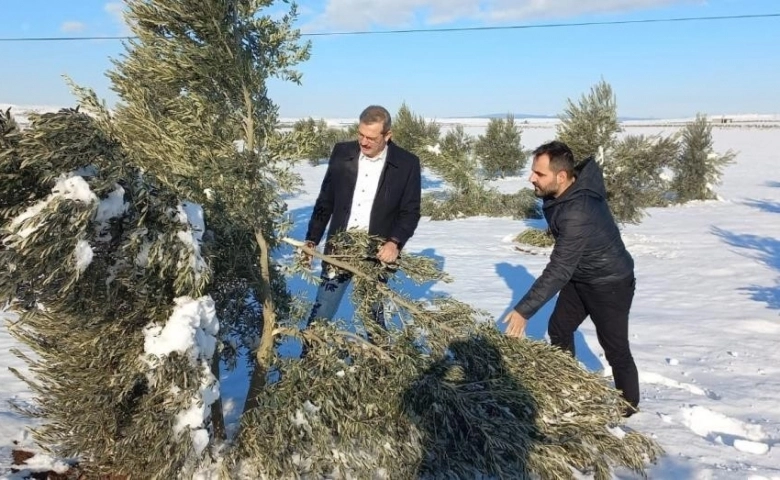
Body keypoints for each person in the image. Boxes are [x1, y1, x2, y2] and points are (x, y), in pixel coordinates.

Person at [503, 140, 640, 417]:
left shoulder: (578, 210)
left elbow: (559, 269)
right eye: (533, 172)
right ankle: (567, 383)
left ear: (562, 176)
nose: (532, 178)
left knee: (615, 349)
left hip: (610, 283)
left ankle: (629, 408)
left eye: (539, 174)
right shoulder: (564, 193)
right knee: (559, 327)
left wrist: (523, 310)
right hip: (582, 275)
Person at [303, 104, 422, 329]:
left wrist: (394, 242)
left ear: (388, 135)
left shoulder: (407, 164)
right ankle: (309, 359)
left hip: (376, 252)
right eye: (361, 135)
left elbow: (410, 211)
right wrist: (312, 240)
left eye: (371, 138)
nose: (364, 142)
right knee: (321, 313)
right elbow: (325, 200)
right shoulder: (342, 152)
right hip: (339, 248)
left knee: (373, 318)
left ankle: (378, 360)